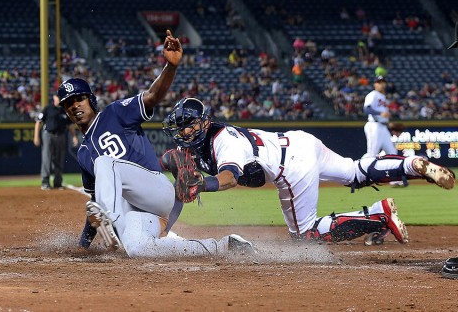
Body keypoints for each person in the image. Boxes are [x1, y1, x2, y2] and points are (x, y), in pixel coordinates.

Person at [57, 30, 254, 258]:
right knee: (138, 249)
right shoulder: (83, 153)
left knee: (105, 163)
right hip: (136, 212)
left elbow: (151, 96)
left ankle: (112, 219)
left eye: (79, 99)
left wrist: (170, 67)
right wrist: (83, 245)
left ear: (90, 100)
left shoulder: (114, 113)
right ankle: (224, 246)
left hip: (156, 190)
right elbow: (95, 203)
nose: (74, 105)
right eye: (68, 103)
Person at [161, 97, 455, 244]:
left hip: (291, 167)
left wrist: (203, 185)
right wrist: (167, 225)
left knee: (305, 237)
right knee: (354, 172)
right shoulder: (195, 147)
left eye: (186, 125)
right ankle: (410, 164)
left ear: (201, 122)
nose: (182, 131)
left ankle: (379, 215)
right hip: (301, 142)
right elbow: (176, 180)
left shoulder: (223, 140)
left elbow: (229, 178)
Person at [34, 93, 78, 190]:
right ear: (54, 97)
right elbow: (38, 122)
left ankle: (58, 182)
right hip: (48, 135)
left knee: (59, 159)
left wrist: (74, 136)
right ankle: (45, 182)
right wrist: (36, 137)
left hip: (61, 136)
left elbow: (70, 125)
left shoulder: (65, 110)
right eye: (58, 97)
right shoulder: (48, 108)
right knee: (47, 158)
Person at [363, 76, 397, 158]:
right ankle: (358, 169)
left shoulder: (383, 96)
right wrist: (380, 113)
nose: (381, 84)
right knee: (372, 154)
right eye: (379, 82)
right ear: (375, 84)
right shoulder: (373, 94)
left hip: (383, 127)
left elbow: (383, 113)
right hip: (374, 125)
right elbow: (366, 109)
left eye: (383, 82)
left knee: (392, 153)